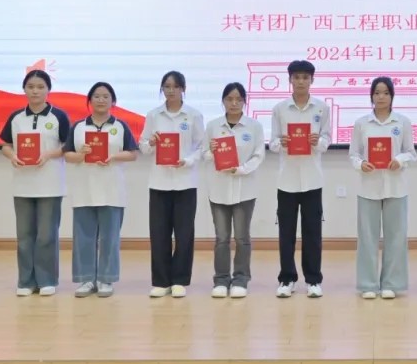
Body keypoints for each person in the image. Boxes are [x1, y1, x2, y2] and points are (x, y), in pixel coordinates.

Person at [62, 82, 139, 298]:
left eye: (106, 96)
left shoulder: (120, 126)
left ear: (113, 101)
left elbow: (133, 154)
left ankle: (106, 279)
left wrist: (113, 156)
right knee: (83, 237)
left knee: (109, 238)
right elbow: (67, 155)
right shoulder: (78, 126)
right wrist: (81, 155)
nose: (101, 100)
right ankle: (86, 279)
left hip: (112, 190)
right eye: (96, 96)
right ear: (89, 100)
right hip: (84, 189)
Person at [0, 69, 71, 297]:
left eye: (40, 87)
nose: (35, 91)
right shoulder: (16, 117)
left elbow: (68, 147)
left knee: (46, 235)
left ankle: (47, 280)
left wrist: (49, 154)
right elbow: (5, 145)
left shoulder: (58, 116)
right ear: (24, 89)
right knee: (24, 236)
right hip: (22, 184)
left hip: (50, 184)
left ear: (49, 89)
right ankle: (26, 281)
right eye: (30, 87)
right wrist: (12, 156)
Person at [349, 77, 417, 299]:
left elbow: (411, 153)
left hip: (396, 187)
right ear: (371, 96)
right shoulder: (362, 123)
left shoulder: (402, 122)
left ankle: (391, 283)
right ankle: (368, 284)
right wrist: (361, 164)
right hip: (368, 187)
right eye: (377, 93)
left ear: (392, 96)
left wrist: (400, 160)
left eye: (386, 93)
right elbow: (353, 154)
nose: (381, 97)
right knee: (367, 238)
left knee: (396, 237)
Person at [139, 71, 205, 299]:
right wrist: (151, 142)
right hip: (159, 182)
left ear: (183, 89)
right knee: (159, 233)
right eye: (166, 86)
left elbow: (202, 147)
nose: (171, 90)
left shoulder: (193, 115)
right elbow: (143, 147)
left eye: (176, 86)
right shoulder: (153, 115)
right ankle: (161, 281)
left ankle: (179, 280)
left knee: (184, 234)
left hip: (185, 182)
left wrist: (187, 161)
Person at [268, 60, 330, 298]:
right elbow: (273, 143)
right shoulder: (280, 109)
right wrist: (281, 143)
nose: (301, 81)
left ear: (312, 80)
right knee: (286, 233)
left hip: (313, 180)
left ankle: (313, 280)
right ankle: (287, 279)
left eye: (305, 77)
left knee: (313, 233)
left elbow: (327, 140)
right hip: (287, 180)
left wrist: (318, 142)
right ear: (290, 80)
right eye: (297, 77)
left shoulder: (321, 108)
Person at [204, 82, 266, 299]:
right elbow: (204, 154)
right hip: (218, 189)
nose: (233, 103)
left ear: (244, 102)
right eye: (229, 99)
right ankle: (221, 280)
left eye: (238, 99)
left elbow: (259, 155)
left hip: (244, 189)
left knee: (241, 237)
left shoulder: (254, 126)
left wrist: (241, 169)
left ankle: (241, 279)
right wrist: (212, 151)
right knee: (221, 238)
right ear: (223, 101)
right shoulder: (213, 126)